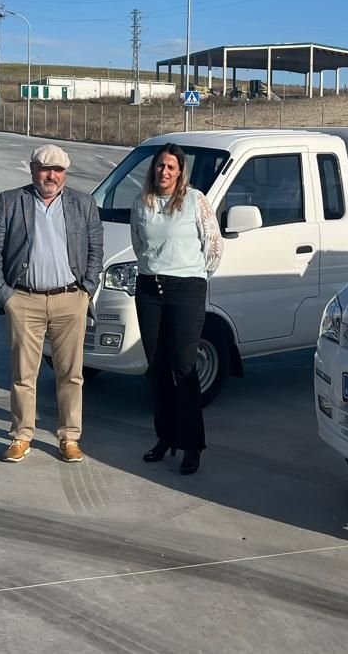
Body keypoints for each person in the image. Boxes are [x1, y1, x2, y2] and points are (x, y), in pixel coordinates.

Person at [0, 143, 104, 464]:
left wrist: (85, 291)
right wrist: (5, 296)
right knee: (24, 375)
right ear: (33, 169)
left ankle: (70, 437)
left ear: (65, 173)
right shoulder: (10, 201)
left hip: (70, 300)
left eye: (58, 170)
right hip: (24, 300)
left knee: (71, 375)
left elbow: (95, 250)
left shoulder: (84, 203)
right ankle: (22, 435)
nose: (51, 176)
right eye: (45, 168)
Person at [130, 142, 224, 475]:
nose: (164, 172)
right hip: (149, 290)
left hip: (186, 290)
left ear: (181, 171)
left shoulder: (196, 201)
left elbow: (213, 248)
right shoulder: (142, 203)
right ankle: (165, 436)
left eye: (171, 167)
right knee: (157, 366)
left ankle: (192, 445)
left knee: (184, 367)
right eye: (159, 166)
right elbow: (139, 244)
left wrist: (193, 277)